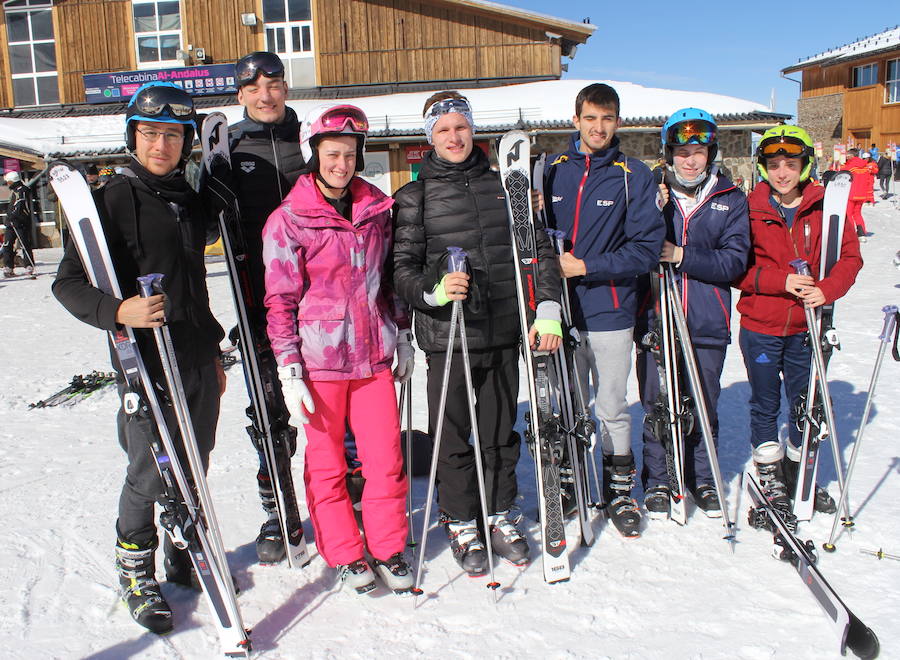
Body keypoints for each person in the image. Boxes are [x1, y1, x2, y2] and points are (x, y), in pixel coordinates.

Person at [52, 81, 227, 633]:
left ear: (186, 142)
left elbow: (195, 283)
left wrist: (216, 349)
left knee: (194, 463)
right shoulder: (110, 199)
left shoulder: (189, 201)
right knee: (150, 471)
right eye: (150, 133)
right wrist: (118, 310)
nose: (160, 145)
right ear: (133, 136)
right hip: (144, 362)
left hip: (196, 353)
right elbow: (69, 284)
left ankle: (182, 545)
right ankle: (135, 567)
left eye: (172, 135)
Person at [393, 91, 562, 573]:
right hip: (447, 337)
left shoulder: (506, 188)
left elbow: (538, 253)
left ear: (473, 130)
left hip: (504, 330)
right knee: (452, 434)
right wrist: (434, 290)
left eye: (460, 127)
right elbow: (401, 270)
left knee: (498, 430)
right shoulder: (414, 197)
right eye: (443, 129)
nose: (453, 136)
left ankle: (499, 509)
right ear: (430, 137)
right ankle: (461, 517)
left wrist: (545, 305)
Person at [263, 103, 415, 594]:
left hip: (372, 358)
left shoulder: (378, 211)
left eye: (350, 154)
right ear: (316, 155)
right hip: (319, 363)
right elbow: (280, 298)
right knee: (327, 465)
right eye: (332, 154)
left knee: (385, 458)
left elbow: (387, 282)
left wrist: (404, 333)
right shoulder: (289, 220)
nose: (341, 164)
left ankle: (389, 545)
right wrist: (289, 367)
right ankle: (346, 553)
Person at [542, 83, 665, 537]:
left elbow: (646, 250)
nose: (598, 127)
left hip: (611, 309)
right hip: (559, 312)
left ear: (618, 121)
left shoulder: (634, 174)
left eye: (607, 118)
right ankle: (572, 481)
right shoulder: (551, 170)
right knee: (568, 403)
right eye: (590, 118)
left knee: (611, 405)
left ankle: (618, 487)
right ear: (575, 120)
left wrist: (585, 266)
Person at [735, 125, 862, 515]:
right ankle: (769, 468)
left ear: (805, 165)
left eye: (790, 164)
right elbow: (736, 268)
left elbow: (850, 258)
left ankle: (797, 467)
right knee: (765, 402)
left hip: (808, 326)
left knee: (804, 403)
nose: (782, 173)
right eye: (774, 165)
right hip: (762, 325)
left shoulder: (827, 207)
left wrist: (827, 288)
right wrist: (781, 281)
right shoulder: (750, 208)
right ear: (763, 168)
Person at [635, 108, 749, 520]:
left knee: (704, 400)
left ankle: (702, 475)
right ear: (669, 153)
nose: (690, 160)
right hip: (657, 316)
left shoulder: (729, 199)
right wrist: (650, 208)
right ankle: (660, 477)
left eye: (698, 151)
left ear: (710, 153)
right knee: (657, 399)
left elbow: (734, 262)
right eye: (682, 151)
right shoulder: (652, 191)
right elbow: (632, 243)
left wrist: (682, 255)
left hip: (706, 319)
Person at [228, 51, 307, 564]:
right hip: (259, 300)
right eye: (254, 88)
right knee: (269, 410)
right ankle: (277, 509)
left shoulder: (314, 142)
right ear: (241, 96)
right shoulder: (226, 152)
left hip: (322, 300)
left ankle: (347, 493)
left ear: (285, 88)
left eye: (273, 84)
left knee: (333, 407)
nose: (265, 95)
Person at [1, 171, 35, 277]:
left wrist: (14, 216)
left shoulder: (23, 190)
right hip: (10, 223)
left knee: (24, 243)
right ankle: (8, 266)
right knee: (7, 244)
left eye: (8, 182)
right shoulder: (14, 191)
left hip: (20, 223)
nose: (7, 184)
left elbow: (20, 205)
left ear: (13, 182)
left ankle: (28, 265)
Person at [841, 148, 872, 241]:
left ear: (851, 156)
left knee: (849, 214)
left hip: (851, 193)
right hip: (862, 193)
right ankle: (861, 233)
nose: (846, 156)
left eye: (847, 155)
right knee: (857, 213)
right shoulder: (865, 166)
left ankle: (850, 234)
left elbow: (842, 175)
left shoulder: (850, 166)